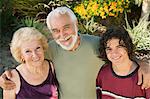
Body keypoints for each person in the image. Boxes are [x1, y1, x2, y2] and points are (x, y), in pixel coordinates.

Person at [0, 6, 150, 99]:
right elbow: (28, 59)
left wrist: (144, 64)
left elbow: (121, 54)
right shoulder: (49, 49)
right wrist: (7, 76)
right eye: (56, 31)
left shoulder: (97, 44)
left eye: (66, 27)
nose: (62, 35)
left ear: (76, 24)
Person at [3, 27, 59, 99]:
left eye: (38, 48)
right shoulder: (13, 78)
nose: (35, 55)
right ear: (21, 55)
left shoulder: (51, 67)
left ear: (43, 48)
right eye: (28, 51)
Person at [96, 28, 150, 98]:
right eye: (109, 49)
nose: (114, 53)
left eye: (119, 47)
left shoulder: (145, 77)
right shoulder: (103, 74)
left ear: (128, 47)